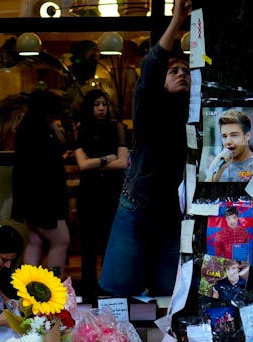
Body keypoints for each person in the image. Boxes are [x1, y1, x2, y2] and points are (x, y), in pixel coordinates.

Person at [99, 0, 191, 296]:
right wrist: (176, 21)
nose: (181, 74)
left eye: (186, 71)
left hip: (173, 210)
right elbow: (152, 66)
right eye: (173, 71)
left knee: (167, 287)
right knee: (120, 285)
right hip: (139, 203)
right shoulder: (149, 105)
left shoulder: (193, 115)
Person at [72, 89, 128, 299]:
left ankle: (107, 286)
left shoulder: (117, 128)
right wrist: (106, 159)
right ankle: (88, 289)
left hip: (111, 191)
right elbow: (82, 164)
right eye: (96, 104)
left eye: (104, 104)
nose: (101, 108)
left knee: (109, 241)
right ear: (90, 107)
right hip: (89, 192)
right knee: (88, 243)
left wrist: (94, 163)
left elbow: (122, 162)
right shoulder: (82, 129)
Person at [12, 89, 70, 276]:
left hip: (29, 196)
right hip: (44, 197)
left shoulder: (27, 126)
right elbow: (58, 151)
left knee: (35, 241)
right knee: (61, 240)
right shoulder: (39, 130)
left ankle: (29, 287)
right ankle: (54, 284)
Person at [209, 108, 253, 183]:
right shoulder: (218, 162)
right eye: (224, 136)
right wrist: (220, 170)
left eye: (234, 135)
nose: (228, 142)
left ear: (247, 136)